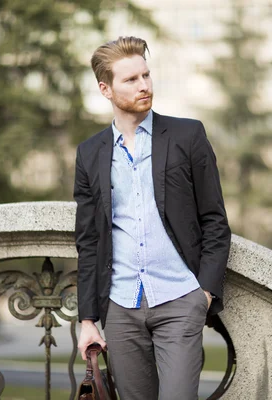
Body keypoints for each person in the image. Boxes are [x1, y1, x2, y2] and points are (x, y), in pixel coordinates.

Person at [73, 36, 231, 400]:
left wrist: (202, 294)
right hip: (121, 306)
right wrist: (88, 320)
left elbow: (215, 221)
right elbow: (89, 241)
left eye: (146, 75)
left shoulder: (187, 135)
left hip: (180, 300)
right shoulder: (89, 154)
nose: (144, 85)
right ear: (105, 89)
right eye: (130, 79)